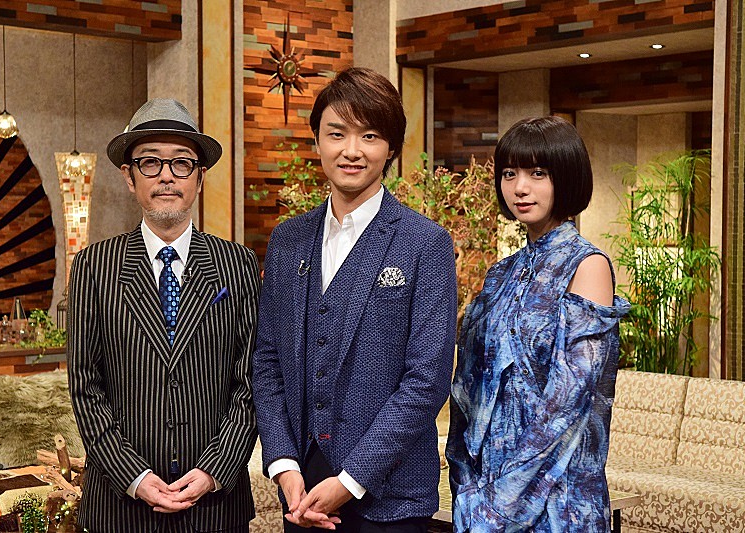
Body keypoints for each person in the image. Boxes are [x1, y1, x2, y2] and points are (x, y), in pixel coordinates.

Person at [252, 67, 458, 532]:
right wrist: (283, 464)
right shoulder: (288, 240)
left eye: (369, 136)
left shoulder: (425, 243)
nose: (351, 150)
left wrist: (350, 480)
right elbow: (267, 361)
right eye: (337, 133)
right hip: (302, 490)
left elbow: (427, 381)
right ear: (317, 141)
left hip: (389, 497)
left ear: (391, 148)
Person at [68, 98, 260, 532]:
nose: (167, 176)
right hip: (120, 508)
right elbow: (85, 385)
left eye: (182, 163)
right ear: (129, 177)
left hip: (215, 509)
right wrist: (133, 476)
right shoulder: (95, 267)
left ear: (200, 177)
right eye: (151, 162)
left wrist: (214, 470)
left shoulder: (238, 265)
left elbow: (251, 381)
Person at [446, 116, 630, 532]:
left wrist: (500, 505)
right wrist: (466, 485)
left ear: (566, 176)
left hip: (558, 500)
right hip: (483, 490)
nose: (520, 188)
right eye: (509, 174)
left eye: (538, 173)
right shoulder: (500, 273)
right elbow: (469, 387)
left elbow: (567, 403)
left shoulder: (587, 265)